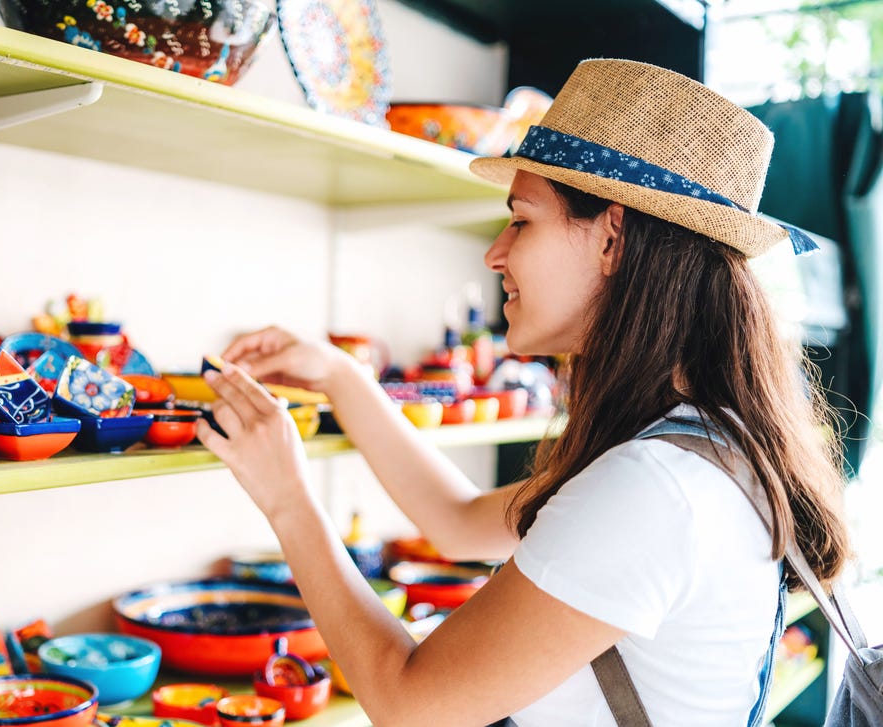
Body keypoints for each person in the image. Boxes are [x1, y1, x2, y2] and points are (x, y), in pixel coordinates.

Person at [196, 59, 851, 726]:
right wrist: (342, 376)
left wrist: (285, 497)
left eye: (522, 220)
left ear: (612, 238)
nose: (495, 254)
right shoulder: (707, 445)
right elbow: (455, 521)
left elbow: (406, 699)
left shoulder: (654, 486)